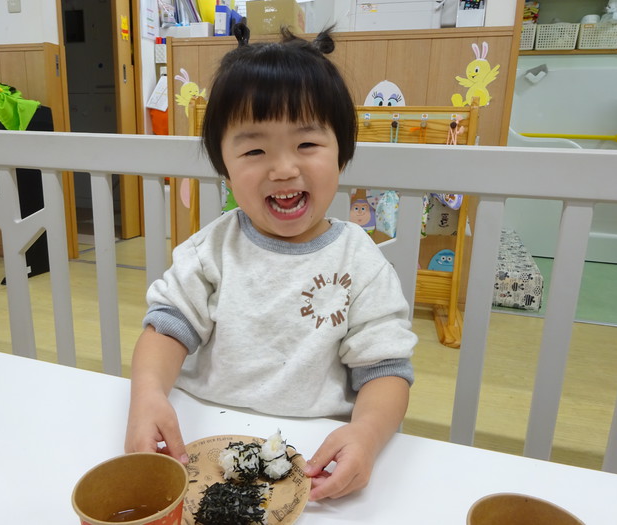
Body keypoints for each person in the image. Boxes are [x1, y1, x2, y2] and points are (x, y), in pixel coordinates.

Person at [125, 26, 417, 502]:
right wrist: (147, 396)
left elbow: (385, 370)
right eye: (255, 150)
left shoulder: (360, 261)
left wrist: (366, 434)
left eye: (307, 145)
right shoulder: (212, 250)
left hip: (314, 457)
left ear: (341, 154)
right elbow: (166, 329)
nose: (283, 169)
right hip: (203, 441)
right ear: (225, 167)